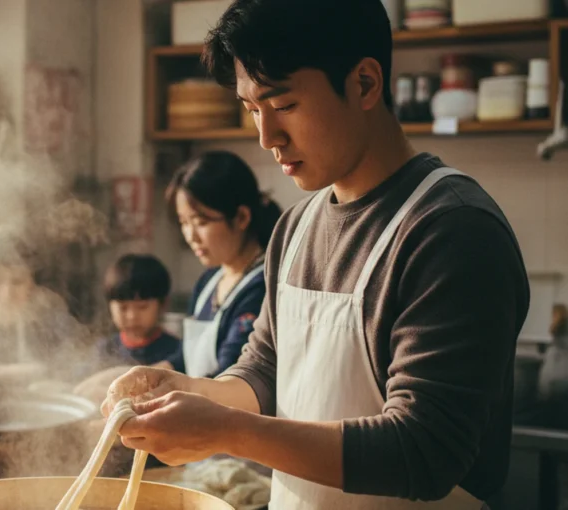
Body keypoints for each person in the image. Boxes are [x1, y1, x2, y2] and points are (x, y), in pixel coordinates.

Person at [102, 1, 530, 508]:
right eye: (251, 109)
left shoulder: (451, 230)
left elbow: (424, 452)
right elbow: (264, 373)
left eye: (283, 105)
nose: (267, 138)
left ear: (365, 84)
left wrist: (226, 432)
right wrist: (188, 390)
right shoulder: (296, 227)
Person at [160, 151, 281, 378]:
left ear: (242, 217)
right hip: (196, 407)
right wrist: (141, 374)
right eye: (183, 222)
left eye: (200, 222)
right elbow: (183, 359)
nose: (190, 236)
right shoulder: (209, 281)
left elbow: (230, 373)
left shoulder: (262, 287)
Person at [0, 225, 89, 388]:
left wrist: (55, 376)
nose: (7, 294)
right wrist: (2, 373)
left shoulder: (48, 317)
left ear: (33, 284)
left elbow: (80, 361)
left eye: (18, 281)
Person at [73, 254, 180, 403]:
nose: (132, 316)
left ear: (163, 305)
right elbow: (81, 385)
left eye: (142, 307)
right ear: (110, 306)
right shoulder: (105, 349)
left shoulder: (175, 352)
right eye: (123, 308)